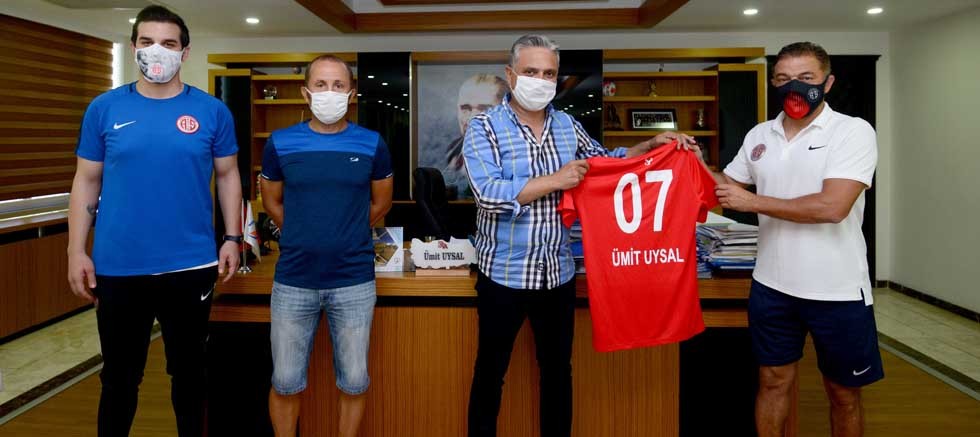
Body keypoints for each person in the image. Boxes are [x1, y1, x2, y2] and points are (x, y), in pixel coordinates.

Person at [462, 34, 691, 437]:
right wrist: (556, 180)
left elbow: (605, 164)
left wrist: (650, 145)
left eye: (549, 73)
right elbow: (488, 194)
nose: (540, 80)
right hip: (503, 275)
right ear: (510, 75)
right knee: (490, 372)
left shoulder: (568, 125)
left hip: (557, 274)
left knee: (557, 372)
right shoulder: (485, 127)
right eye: (531, 71)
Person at [67, 5, 242, 436]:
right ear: (133, 48)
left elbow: (228, 175)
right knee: (119, 379)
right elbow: (86, 180)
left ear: (184, 52)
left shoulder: (212, 111)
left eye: (168, 43)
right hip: (119, 267)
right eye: (147, 42)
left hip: (190, 266)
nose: (156, 51)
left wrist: (233, 237)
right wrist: (75, 250)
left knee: (190, 376)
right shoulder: (104, 108)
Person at [696, 41, 881, 437]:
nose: (793, 86)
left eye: (805, 77)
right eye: (782, 78)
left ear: (827, 83)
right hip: (772, 285)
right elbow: (726, 187)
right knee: (772, 381)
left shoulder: (852, 131)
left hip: (837, 290)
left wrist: (752, 202)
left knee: (843, 393)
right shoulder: (760, 135)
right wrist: (692, 161)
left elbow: (832, 206)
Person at [260, 54, 394, 437]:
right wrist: (303, 230)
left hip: (353, 280)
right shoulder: (280, 142)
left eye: (338, 85)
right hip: (293, 279)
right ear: (306, 92)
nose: (329, 92)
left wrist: (345, 230)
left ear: (351, 94)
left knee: (354, 379)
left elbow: (381, 203)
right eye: (321, 85)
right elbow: (272, 202)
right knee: (285, 380)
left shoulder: (372, 143)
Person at [443, 74, 509, 197]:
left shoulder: (518, 158)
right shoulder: (453, 151)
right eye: (465, 108)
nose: (472, 118)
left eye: (485, 108)